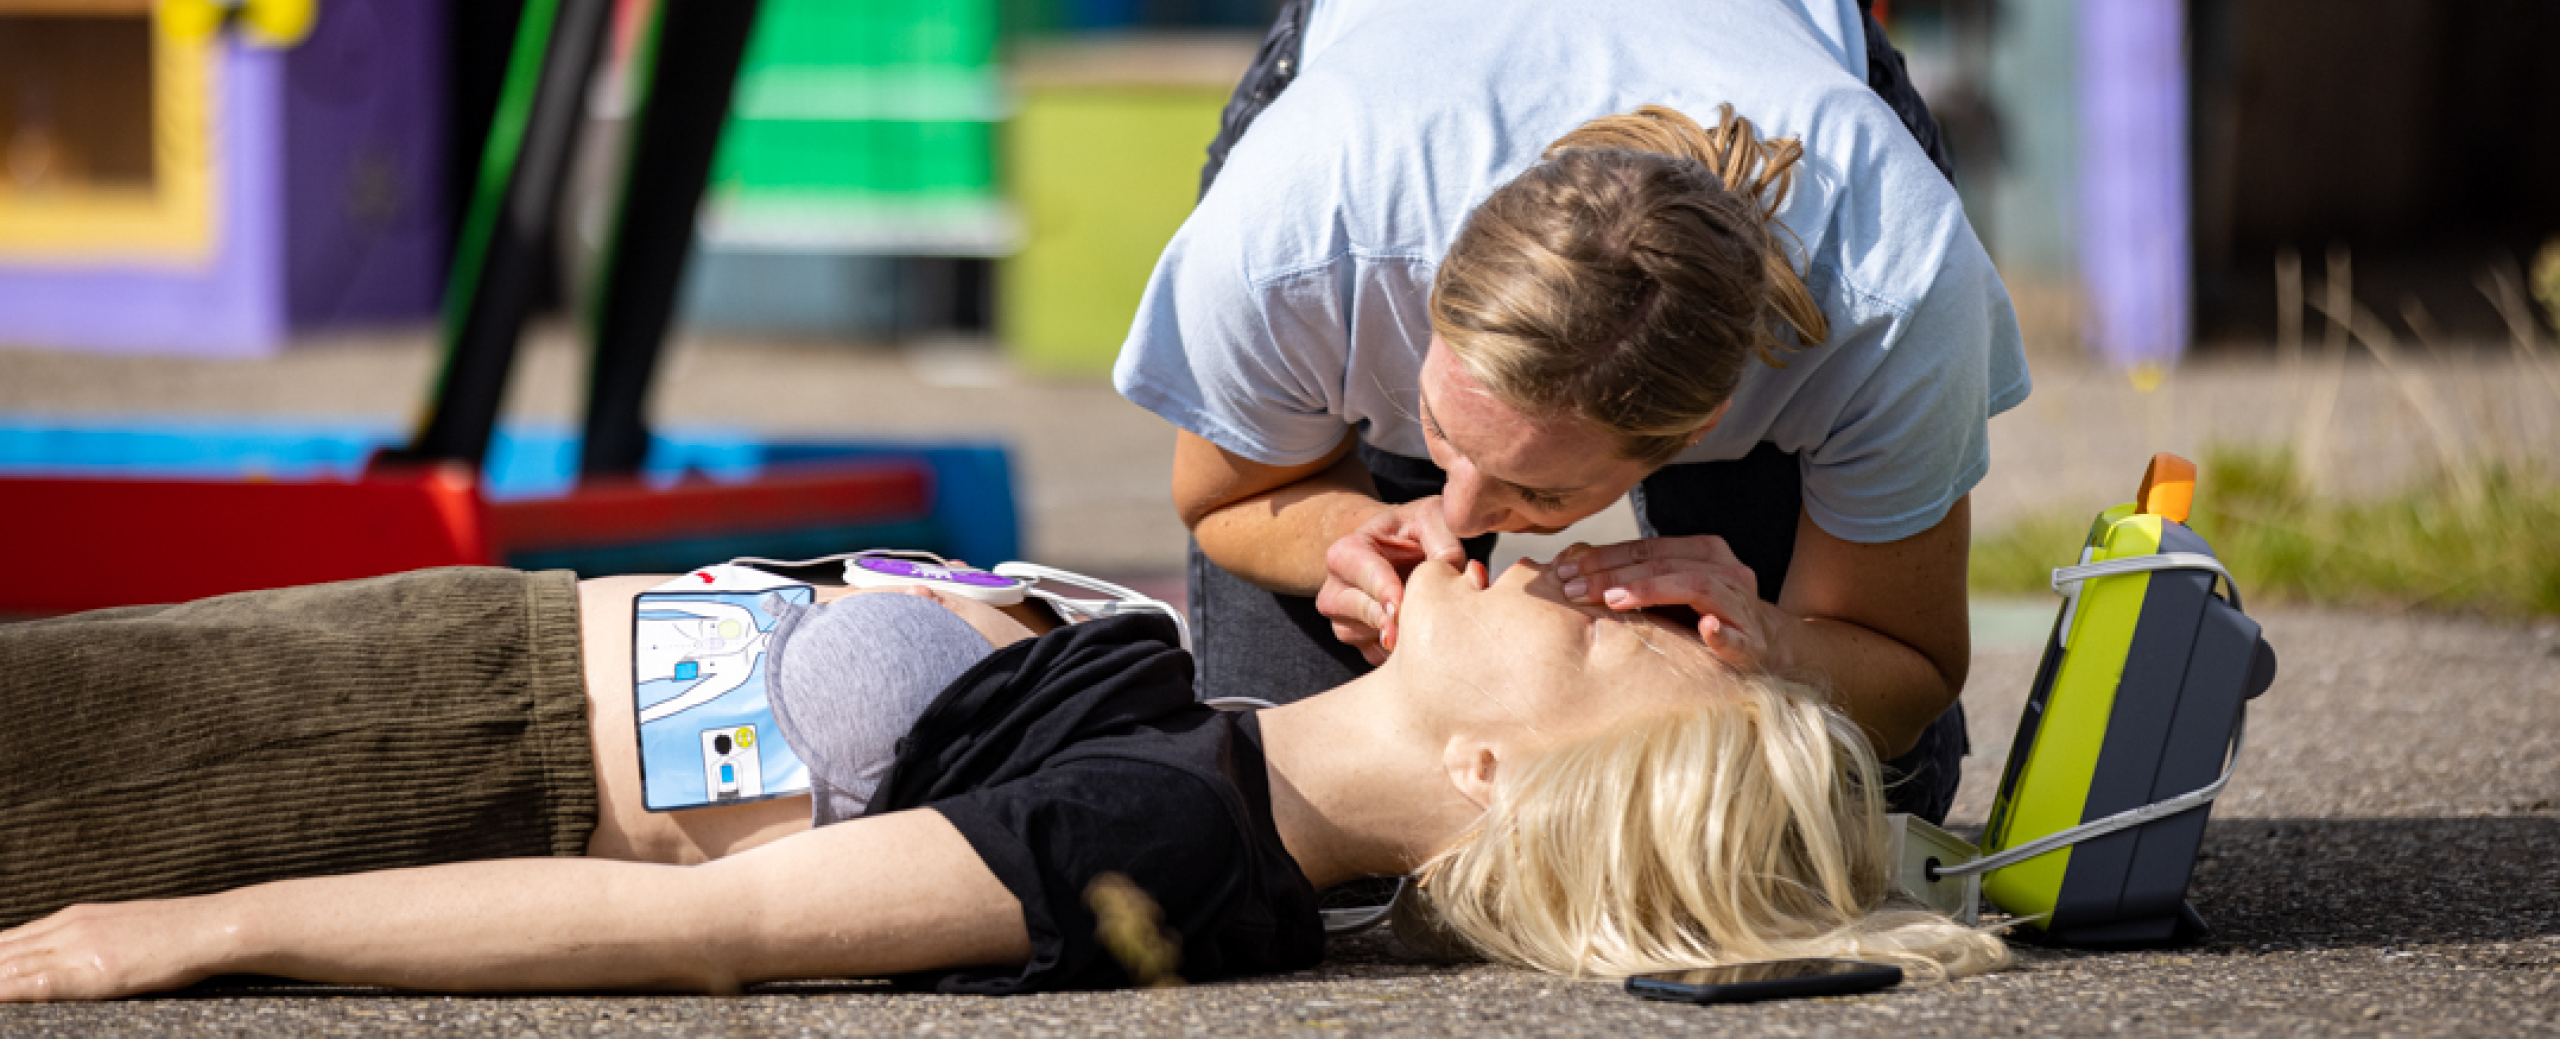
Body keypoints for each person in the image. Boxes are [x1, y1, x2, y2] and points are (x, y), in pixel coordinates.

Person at [0, 562, 2006, 1000]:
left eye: (1597, 627)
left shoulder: (1169, 839)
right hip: (456, 661)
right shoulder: (1289, 730)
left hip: (418, 736)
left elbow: (704, 926)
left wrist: (180, 931)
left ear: (1482, 768)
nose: (1582, 576)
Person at [1113, 0, 2032, 823]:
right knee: (1304, 796)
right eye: (1437, 428)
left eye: (1539, 488)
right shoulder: (1291, 242)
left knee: (1853, 795)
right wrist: (1352, 535)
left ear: (1698, 427)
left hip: (1767, 4)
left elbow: (1902, 662)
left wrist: (1773, 645)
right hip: (1394, 11)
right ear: (1424, 300)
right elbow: (1225, 498)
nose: (1464, 522)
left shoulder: (1893, 296)